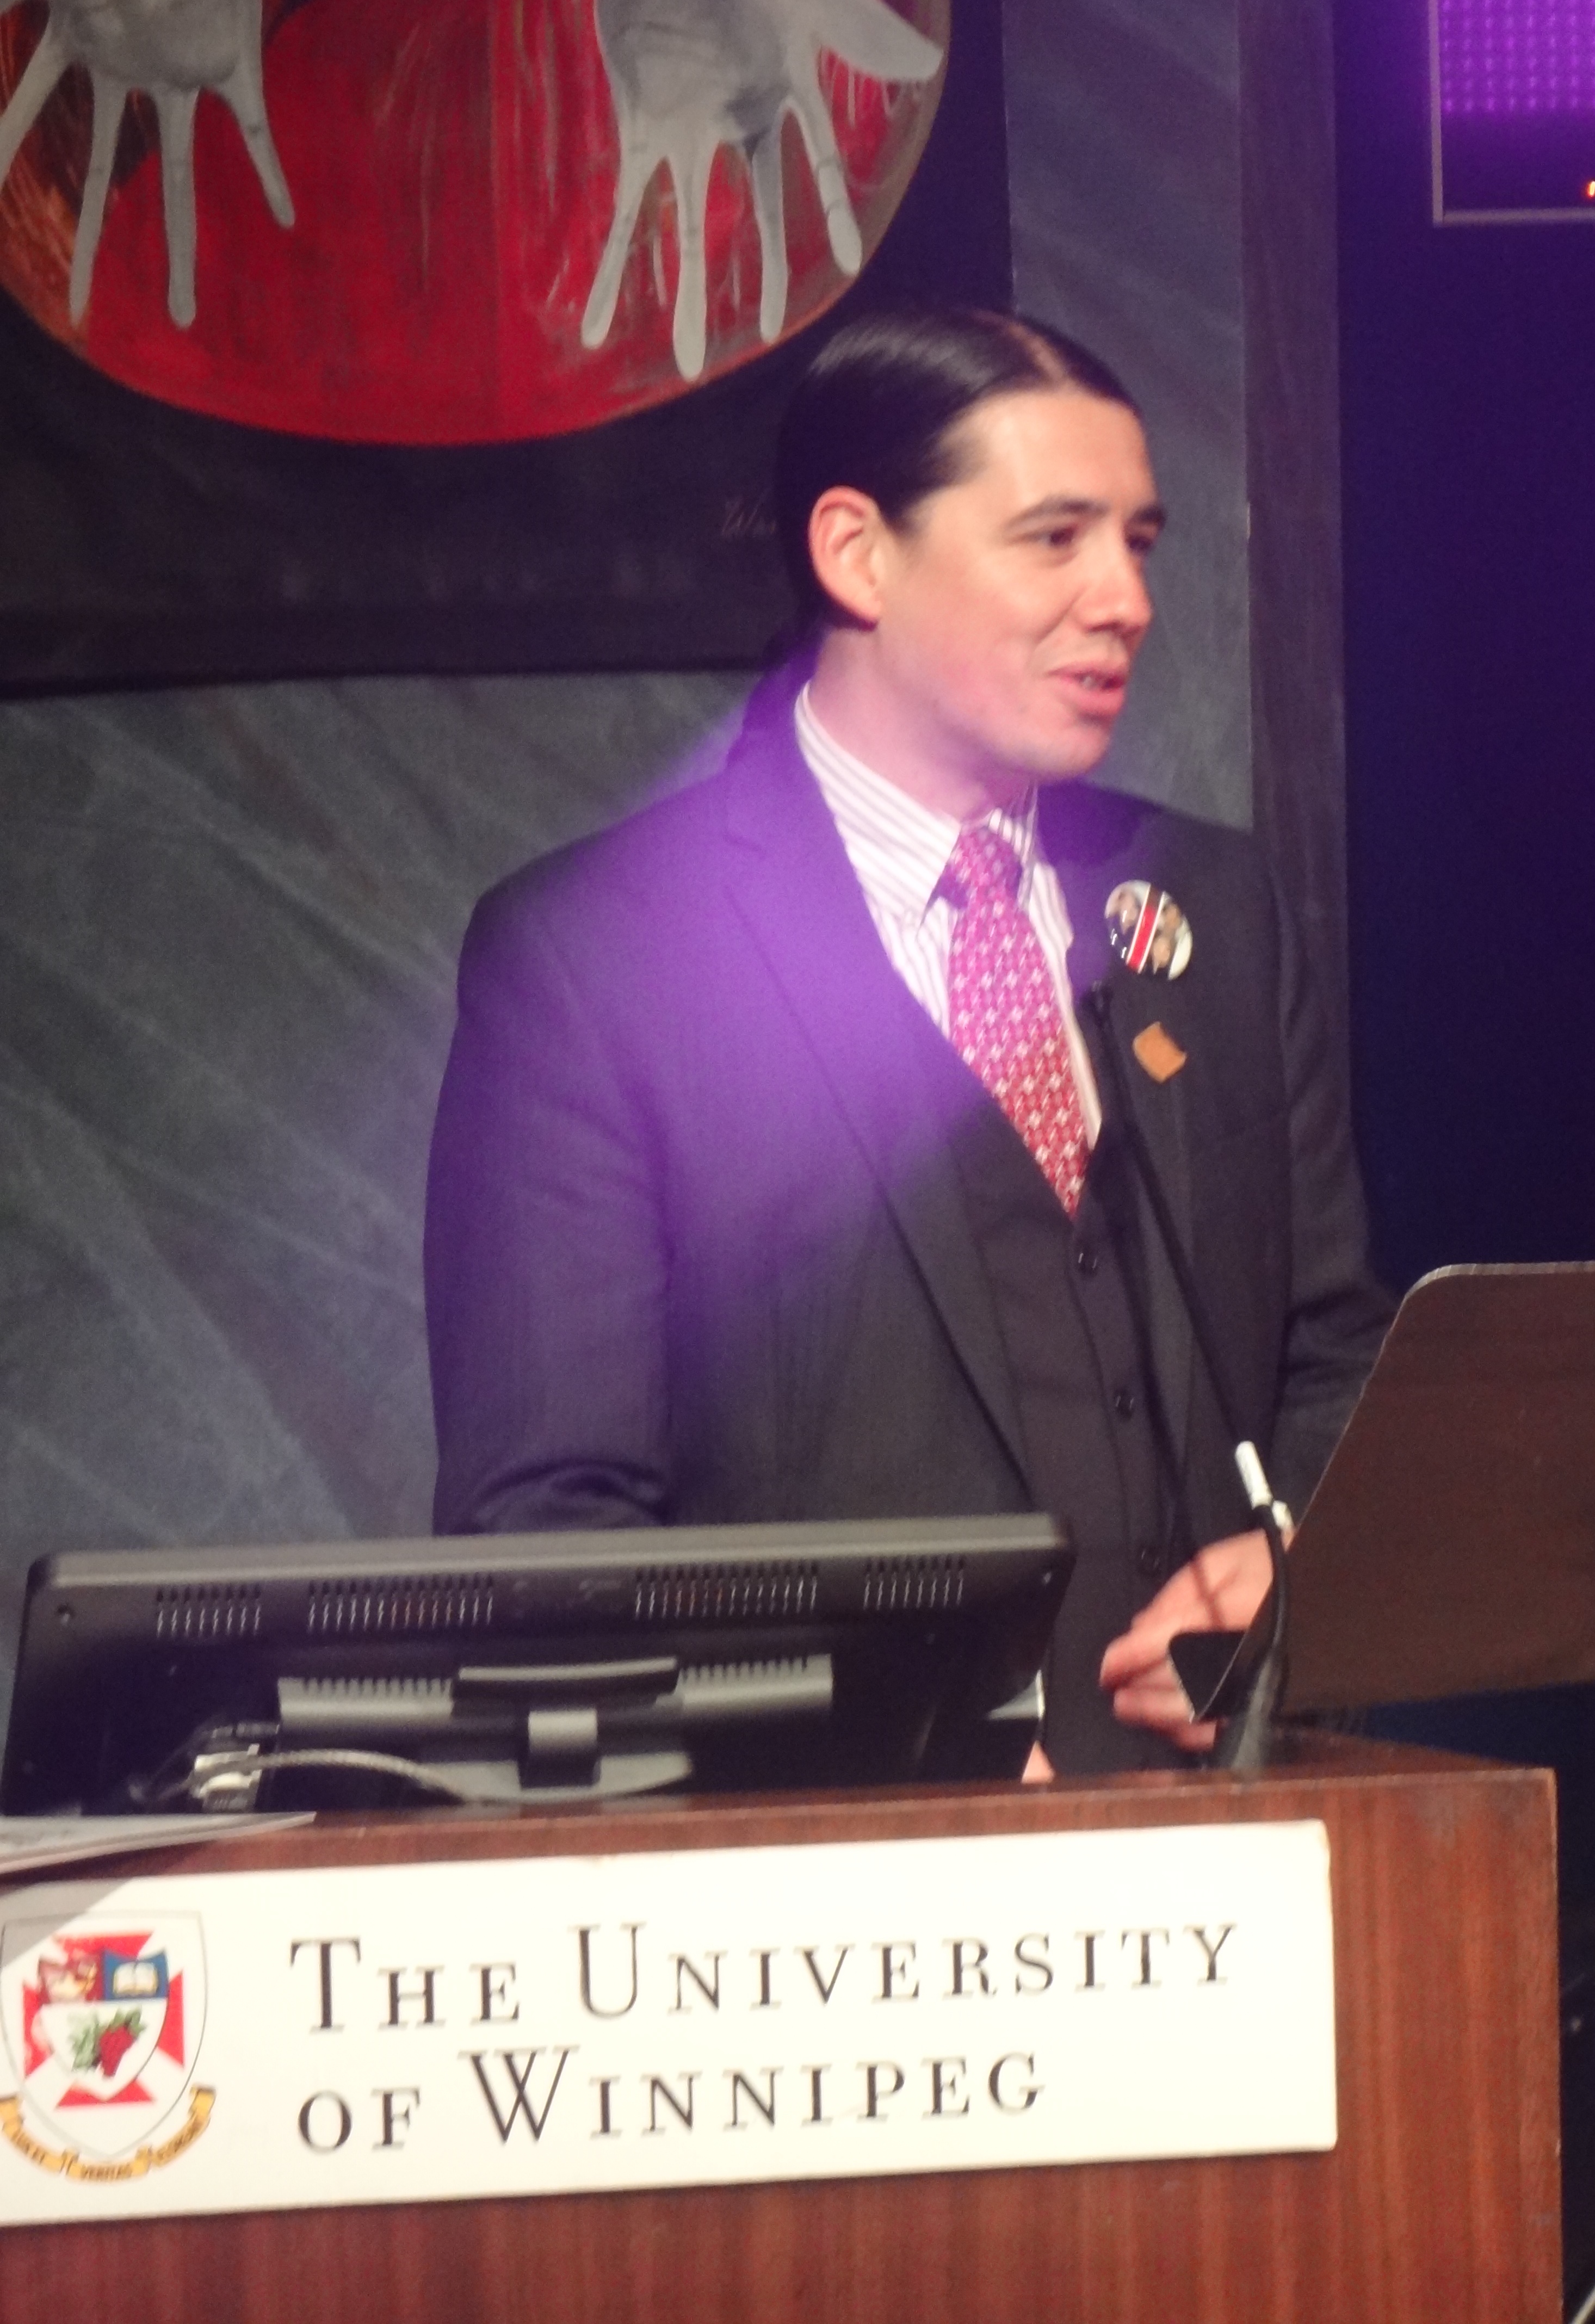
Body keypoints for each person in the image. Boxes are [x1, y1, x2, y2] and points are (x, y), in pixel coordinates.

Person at [425, 304, 1392, 1772]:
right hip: (851, 1874)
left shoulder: (1208, 906)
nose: (1126, 599)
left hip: (1232, 1843)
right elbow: (546, 1529)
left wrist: (1296, 1553)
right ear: (856, 553)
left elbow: (1336, 1357)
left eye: (1139, 542)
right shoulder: (595, 961)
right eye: (1055, 538)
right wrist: (891, 1735)